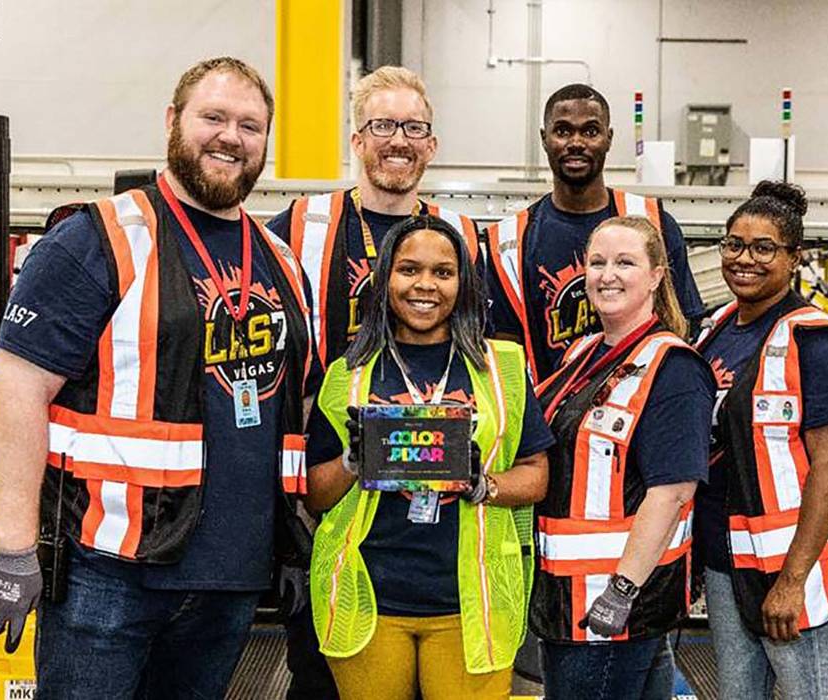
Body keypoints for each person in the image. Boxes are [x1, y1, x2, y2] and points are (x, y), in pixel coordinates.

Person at [0, 57, 318, 697]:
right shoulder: (95, 239)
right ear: (172, 122)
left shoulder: (280, 261)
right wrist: (11, 547)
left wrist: (294, 539)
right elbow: (19, 391)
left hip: (233, 578)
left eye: (250, 125)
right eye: (212, 117)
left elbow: (290, 408)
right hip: (107, 575)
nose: (230, 137)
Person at [305, 215, 553, 700]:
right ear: (386, 280)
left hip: (474, 602)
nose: (425, 285)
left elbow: (537, 474)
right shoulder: (348, 373)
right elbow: (316, 493)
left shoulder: (502, 367)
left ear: (462, 283)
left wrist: (485, 486)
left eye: (443, 272)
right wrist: (354, 464)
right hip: (366, 597)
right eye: (409, 269)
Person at [693, 181, 828, 699]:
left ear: (793, 258)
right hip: (726, 556)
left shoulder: (815, 340)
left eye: (764, 248)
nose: (746, 259)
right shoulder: (714, 330)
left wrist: (792, 581)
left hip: (794, 566)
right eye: (734, 244)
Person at [532, 216, 714, 700]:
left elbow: (673, 491)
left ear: (656, 275)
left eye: (625, 262)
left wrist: (623, 591)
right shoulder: (583, 353)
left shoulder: (672, 368)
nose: (607, 274)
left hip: (610, 609)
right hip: (567, 600)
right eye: (597, 263)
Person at [486, 83, 705, 383]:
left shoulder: (654, 225)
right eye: (562, 131)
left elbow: (684, 325)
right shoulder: (510, 242)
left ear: (609, 138)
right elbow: (504, 351)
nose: (576, 142)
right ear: (544, 139)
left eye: (590, 131)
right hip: (552, 414)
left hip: (642, 410)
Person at [270, 65, 482, 370]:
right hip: (326, 414)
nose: (399, 140)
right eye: (382, 126)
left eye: (414, 127)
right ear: (357, 142)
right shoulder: (299, 225)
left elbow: (478, 340)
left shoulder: (461, 235)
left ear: (431, 146)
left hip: (433, 412)